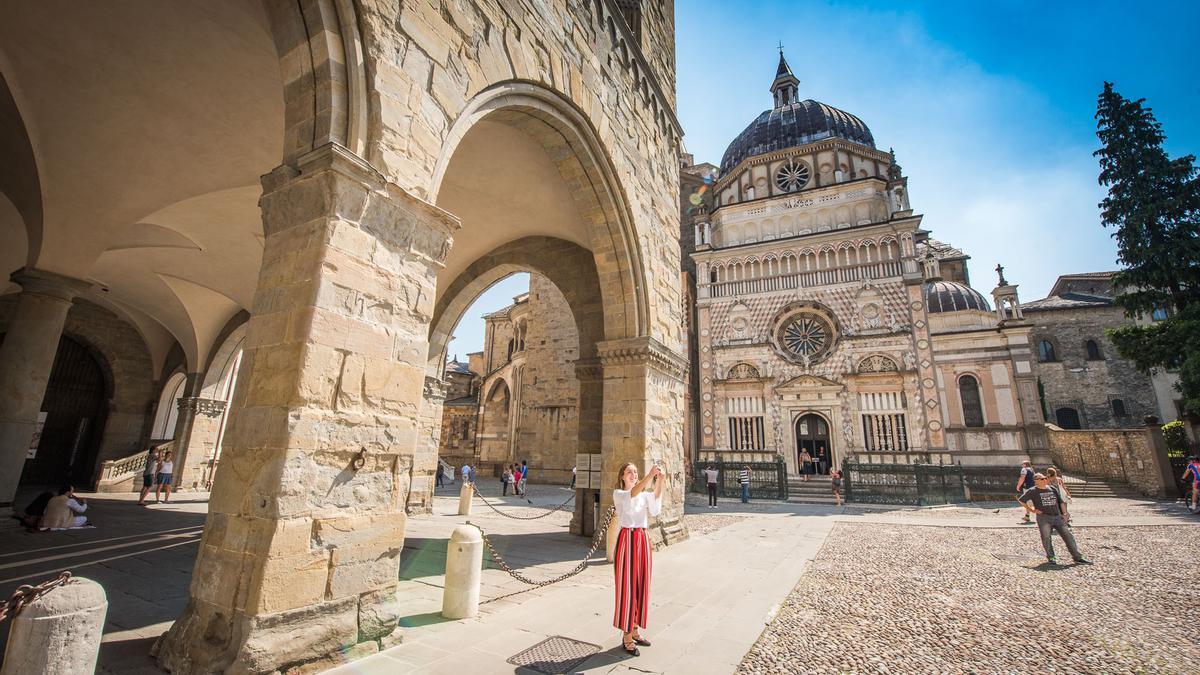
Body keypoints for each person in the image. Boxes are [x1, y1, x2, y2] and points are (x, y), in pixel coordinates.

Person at [613, 460, 666, 657]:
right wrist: (649, 475)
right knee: (627, 588)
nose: (633, 475)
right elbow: (632, 493)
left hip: (642, 539)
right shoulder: (620, 494)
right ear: (622, 476)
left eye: (635, 472)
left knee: (642, 585)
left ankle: (635, 629)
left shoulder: (643, 495)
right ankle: (626, 635)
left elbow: (655, 505)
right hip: (627, 539)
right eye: (629, 472)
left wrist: (660, 480)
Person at [1018, 473, 1089, 565]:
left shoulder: (1052, 488)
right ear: (1036, 481)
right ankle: (1051, 557)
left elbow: (1061, 502)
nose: (1045, 480)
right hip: (1044, 517)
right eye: (1042, 479)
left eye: (1045, 478)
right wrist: (1032, 510)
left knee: (1068, 536)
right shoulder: (1033, 491)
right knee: (1046, 538)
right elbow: (1021, 500)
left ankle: (1077, 557)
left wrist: (1065, 514)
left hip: (1057, 516)